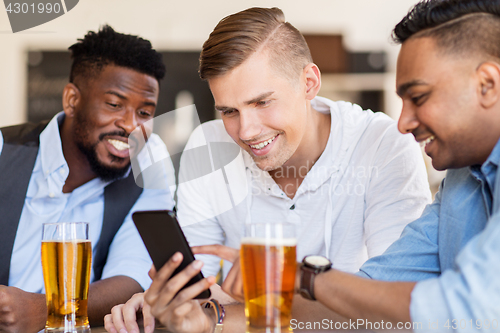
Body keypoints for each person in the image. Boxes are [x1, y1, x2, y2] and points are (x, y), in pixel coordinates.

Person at [104, 7, 433, 333]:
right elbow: (201, 295)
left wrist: (224, 314)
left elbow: (393, 312)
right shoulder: (207, 146)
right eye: (229, 111)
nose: (246, 131)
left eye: (262, 102)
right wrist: (167, 303)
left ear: (308, 83)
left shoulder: (385, 146)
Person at [0, 25, 174, 332]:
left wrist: (46, 310)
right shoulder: (5, 150)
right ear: (71, 100)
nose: (131, 125)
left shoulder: (148, 168)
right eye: (114, 104)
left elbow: (132, 279)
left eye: (145, 112)